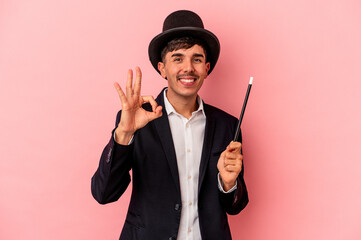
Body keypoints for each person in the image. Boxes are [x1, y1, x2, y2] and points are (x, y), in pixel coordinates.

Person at [91, 10, 248, 240]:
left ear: (207, 67)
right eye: (177, 58)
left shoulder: (228, 126)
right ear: (162, 68)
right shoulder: (135, 121)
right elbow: (103, 194)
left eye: (197, 59)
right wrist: (124, 134)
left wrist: (228, 182)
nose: (188, 68)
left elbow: (235, 205)